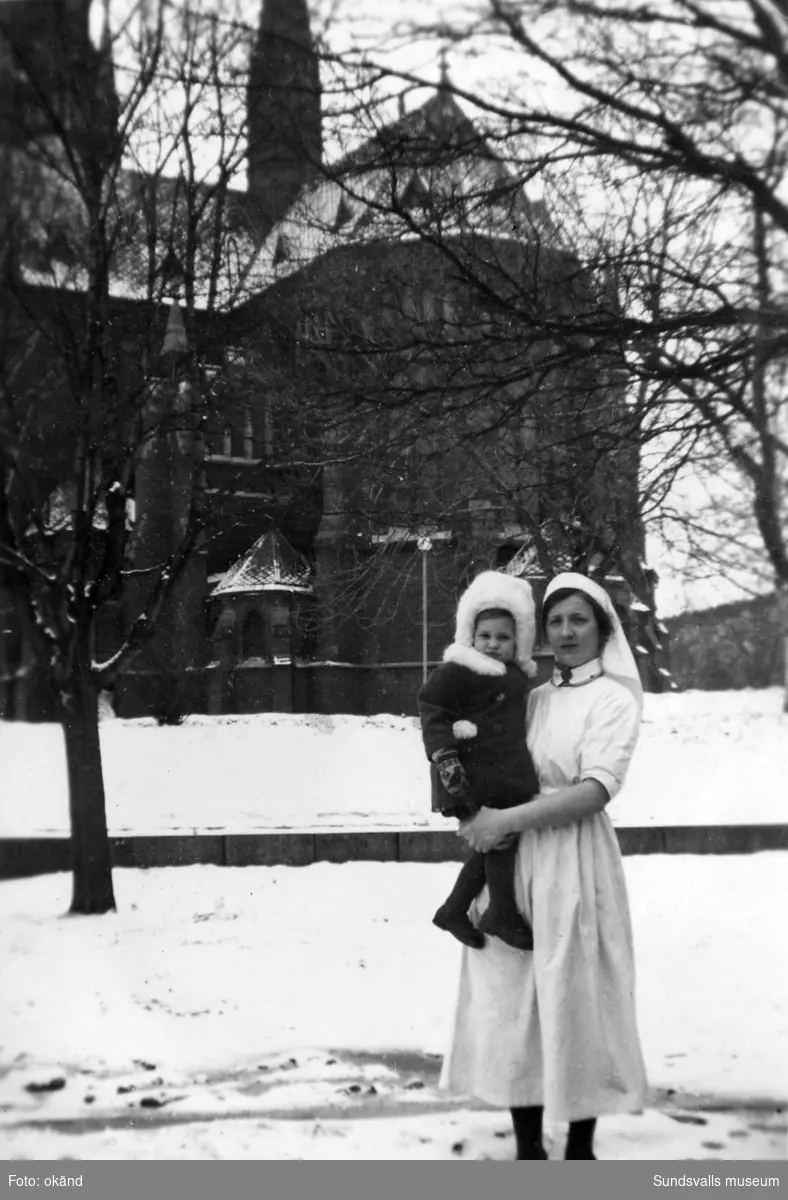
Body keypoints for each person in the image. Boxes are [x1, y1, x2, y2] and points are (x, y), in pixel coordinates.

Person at [439, 572, 648, 1161]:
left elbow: (594, 791)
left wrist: (505, 821)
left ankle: (579, 1150)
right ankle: (530, 1149)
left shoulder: (612, 699)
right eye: (555, 621)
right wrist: (470, 808)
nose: (565, 631)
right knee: (512, 995)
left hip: (575, 857)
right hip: (511, 860)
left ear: (603, 628)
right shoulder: (530, 696)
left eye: (579, 619)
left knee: (573, 993)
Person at [418, 571, 540, 952]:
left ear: (517, 640)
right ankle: (500, 911)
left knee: (494, 841)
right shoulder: (457, 670)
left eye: (503, 638)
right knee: (499, 837)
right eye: (485, 636)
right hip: (469, 772)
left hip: (503, 773)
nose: (492, 645)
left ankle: (454, 909)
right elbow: (433, 710)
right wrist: (445, 755)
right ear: (469, 635)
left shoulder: (516, 676)